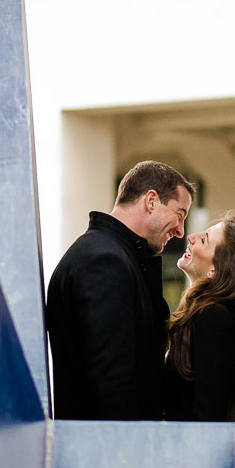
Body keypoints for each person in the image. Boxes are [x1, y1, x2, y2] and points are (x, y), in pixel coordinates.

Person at [46, 161, 195, 420]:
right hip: (109, 448)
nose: (181, 230)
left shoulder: (108, 254)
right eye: (179, 215)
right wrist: (127, 454)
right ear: (151, 200)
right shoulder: (104, 261)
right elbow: (111, 377)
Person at [162, 214, 235, 422]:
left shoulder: (215, 317)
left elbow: (209, 415)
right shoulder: (206, 313)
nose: (191, 237)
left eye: (204, 239)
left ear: (215, 270)